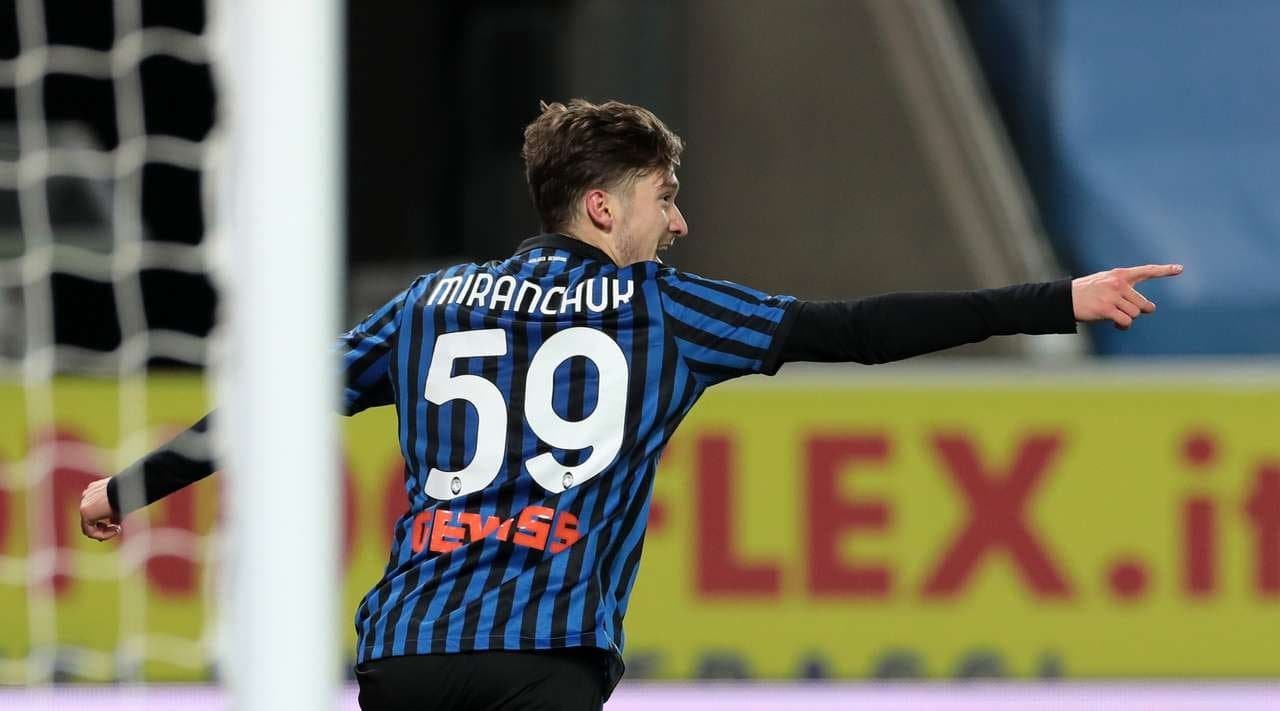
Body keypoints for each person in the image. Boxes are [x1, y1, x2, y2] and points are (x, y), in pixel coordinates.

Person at [79, 99, 1181, 710]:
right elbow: (855, 330)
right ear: (603, 207)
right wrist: (1053, 300)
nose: (679, 223)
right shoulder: (664, 310)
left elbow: (270, 406)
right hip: (543, 656)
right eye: (664, 198)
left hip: (406, 655)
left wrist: (127, 486)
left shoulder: (427, 304)